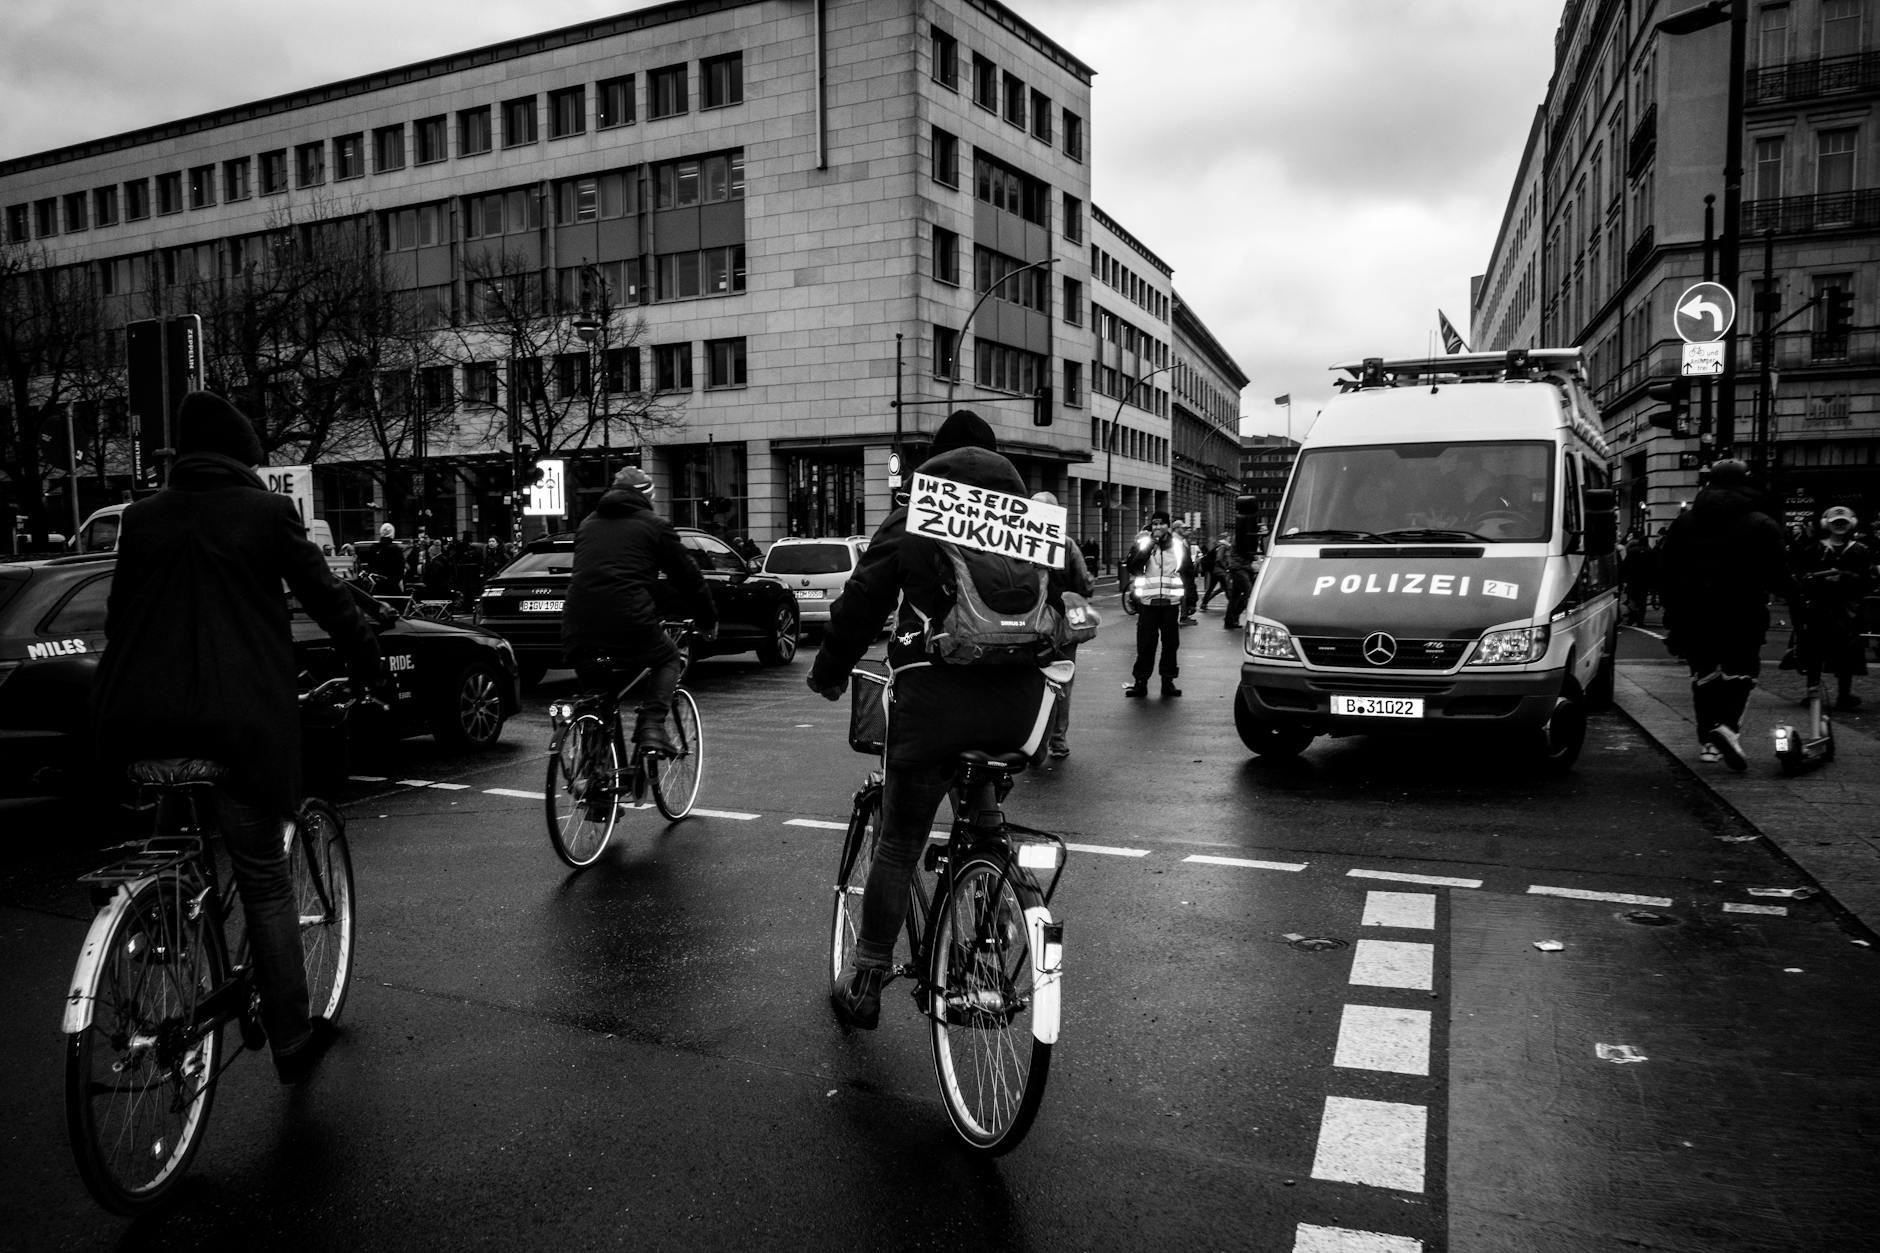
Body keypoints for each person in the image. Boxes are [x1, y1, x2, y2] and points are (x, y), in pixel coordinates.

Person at [91, 391, 380, 1084]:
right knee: (265, 881)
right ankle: (291, 1036)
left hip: (141, 721)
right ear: (243, 454)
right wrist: (370, 663)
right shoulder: (264, 513)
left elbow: (119, 614)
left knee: (171, 846)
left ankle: (163, 940)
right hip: (237, 727)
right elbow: (325, 598)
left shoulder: (142, 518)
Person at [809, 410, 1074, 1029]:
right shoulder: (1028, 522)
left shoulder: (920, 515)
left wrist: (827, 675)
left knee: (900, 844)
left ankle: (868, 976)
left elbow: (859, 605)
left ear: (937, 458)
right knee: (984, 813)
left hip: (934, 707)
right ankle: (993, 920)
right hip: (1018, 710)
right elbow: (1072, 591)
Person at [560, 467, 718, 757]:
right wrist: (708, 621)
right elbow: (688, 578)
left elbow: (603, 573)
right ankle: (652, 725)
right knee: (669, 658)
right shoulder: (654, 525)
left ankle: (599, 788)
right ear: (647, 495)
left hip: (578, 626)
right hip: (628, 622)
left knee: (600, 703)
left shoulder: (587, 524)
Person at [1656, 460, 1795, 771]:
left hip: (1694, 612)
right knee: (1741, 672)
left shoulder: (1686, 522)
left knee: (1704, 674)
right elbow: (1777, 573)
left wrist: (1671, 610)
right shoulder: (1760, 522)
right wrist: (1795, 594)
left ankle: (1708, 742)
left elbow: (1666, 570)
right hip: (1742, 609)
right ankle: (1727, 728)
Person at [1790, 505, 1874, 711]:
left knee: (1847, 654)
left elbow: (1868, 580)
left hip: (1847, 610)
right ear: (1827, 524)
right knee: (1814, 653)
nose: (1839, 527)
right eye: (1836, 523)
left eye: (1843, 523)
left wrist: (1845, 577)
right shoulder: (1813, 549)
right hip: (1819, 608)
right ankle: (1813, 693)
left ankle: (1844, 694)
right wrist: (1819, 581)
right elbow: (1802, 576)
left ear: (1851, 524)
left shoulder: (1860, 550)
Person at [1032, 490, 1093, 758]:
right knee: (1063, 681)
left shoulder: (1019, 543)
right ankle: (1058, 740)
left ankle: (1035, 741)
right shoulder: (1066, 545)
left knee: (1032, 682)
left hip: (1028, 626)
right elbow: (1084, 583)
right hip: (1061, 628)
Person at [1122, 509, 1196, 697]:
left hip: (1171, 603)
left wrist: (1192, 599)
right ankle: (1141, 682)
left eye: (1161, 523)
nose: (1157, 527)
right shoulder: (1144, 543)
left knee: (1170, 644)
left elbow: (1188, 572)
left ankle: (1168, 682)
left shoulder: (1178, 546)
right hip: (1148, 604)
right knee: (1146, 644)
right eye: (1154, 524)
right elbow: (1133, 566)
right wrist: (1149, 546)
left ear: (1168, 526)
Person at [1620, 529, 1655, 626]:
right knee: (1642, 600)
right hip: (1644, 580)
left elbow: (1625, 565)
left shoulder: (1632, 551)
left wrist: (1624, 578)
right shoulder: (1650, 552)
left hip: (1633, 579)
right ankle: (1640, 621)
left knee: (1632, 599)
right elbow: (1654, 567)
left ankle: (1631, 619)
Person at [361, 522, 405, 594]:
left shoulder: (373, 548)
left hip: (376, 586)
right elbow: (400, 569)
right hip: (392, 587)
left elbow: (370, 566)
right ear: (392, 533)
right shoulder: (396, 549)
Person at [1197, 533, 1231, 613]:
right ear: (1225, 538)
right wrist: (1225, 567)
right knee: (1226, 588)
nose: (1230, 539)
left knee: (1212, 588)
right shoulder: (1223, 547)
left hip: (1215, 571)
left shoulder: (1220, 546)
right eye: (1229, 538)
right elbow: (1219, 558)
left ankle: (1204, 603)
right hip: (1220, 571)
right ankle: (1233, 605)